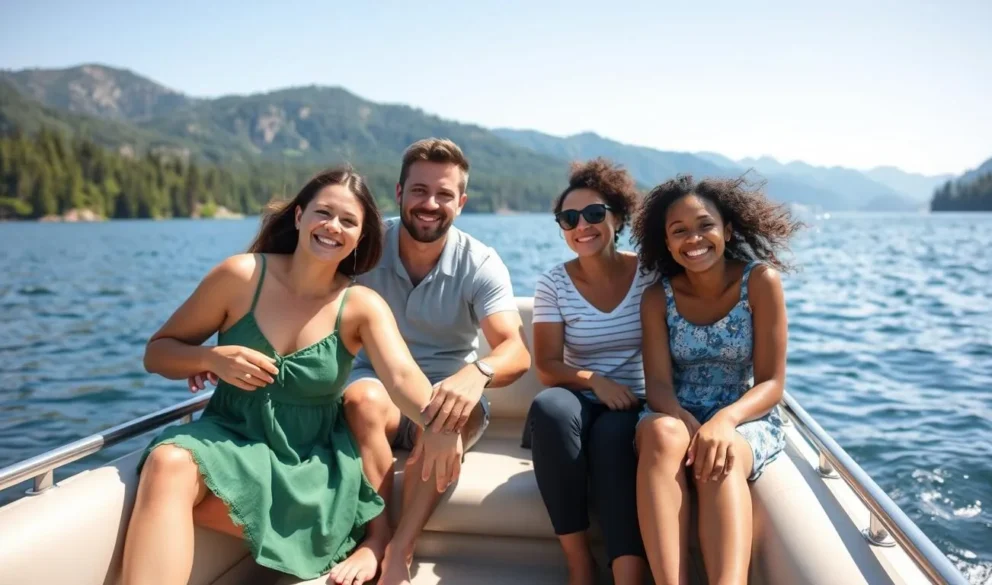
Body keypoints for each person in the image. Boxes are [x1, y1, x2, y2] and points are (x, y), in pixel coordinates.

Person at [123, 167, 462, 585]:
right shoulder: (239, 276)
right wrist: (212, 358)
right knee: (166, 460)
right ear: (299, 216)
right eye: (324, 213)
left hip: (307, 458)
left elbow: (402, 378)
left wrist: (438, 423)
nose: (332, 227)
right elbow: (158, 353)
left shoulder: (360, 305)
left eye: (348, 221)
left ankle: (369, 540)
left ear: (360, 238)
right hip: (229, 434)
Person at [335, 138, 532, 585]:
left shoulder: (480, 262)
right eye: (420, 191)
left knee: (449, 413)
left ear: (460, 203)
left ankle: (402, 548)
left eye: (444, 194)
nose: (431, 204)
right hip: (379, 394)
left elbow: (515, 352)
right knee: (362, 397)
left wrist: (475, 374)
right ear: (400, 192)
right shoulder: (363, 246)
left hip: (450, 395)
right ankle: (377, 538)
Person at [630, 174, 802, 585]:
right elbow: (657, 385)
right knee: (662, 436)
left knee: (720, 458)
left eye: (705, 225)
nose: (694, 238)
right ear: (667, 243)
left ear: (726, 229)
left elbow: (771, 383)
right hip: (674, 411)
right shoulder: (657, 297)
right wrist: (687, 422)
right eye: (679, 231)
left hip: (742, 413)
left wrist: (723, 422)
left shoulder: (760, 283)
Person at [522, 159, 657, 585]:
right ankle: (580, 564)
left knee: (614, 438)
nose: (583, 225)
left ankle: (626, 573)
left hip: (633, 403)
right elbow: (546, 365)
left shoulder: (650, 274)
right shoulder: (553, 284)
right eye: (569, 218)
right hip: (578, 395)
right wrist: (594, 380)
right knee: (549, 410)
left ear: (617, 218)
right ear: (562, 228)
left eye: (595, 214)